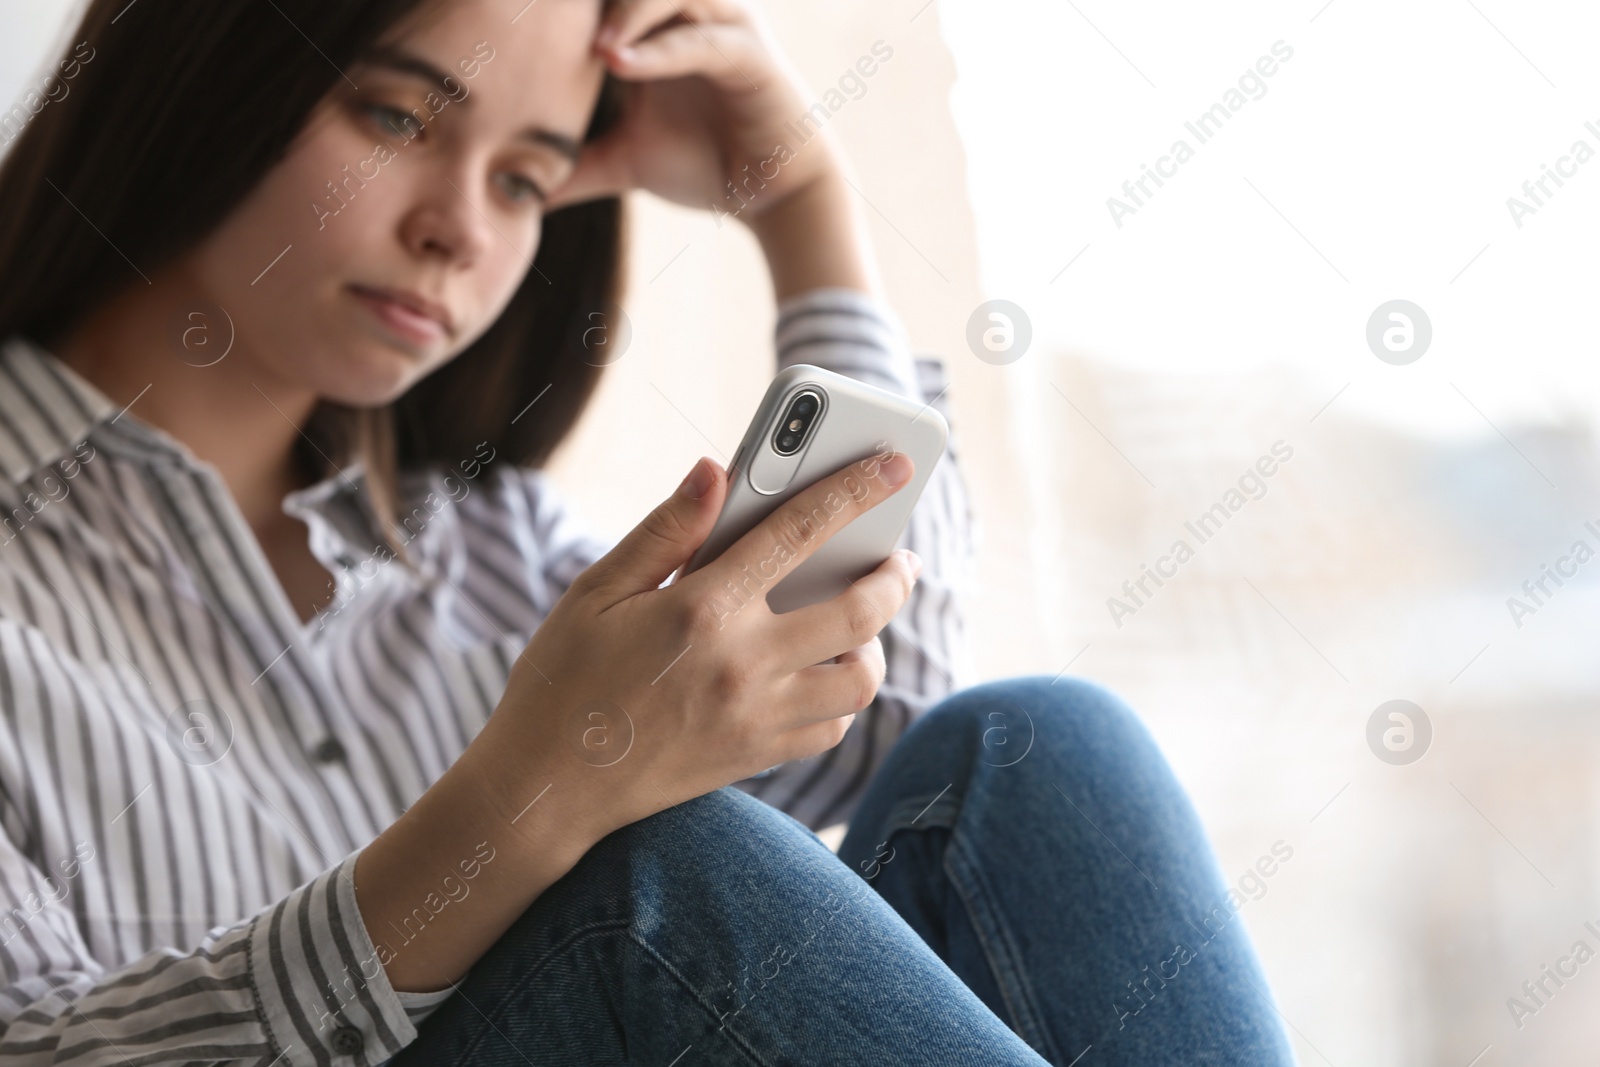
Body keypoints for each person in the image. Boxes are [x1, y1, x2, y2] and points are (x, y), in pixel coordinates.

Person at [0, 0, 1295, 1063]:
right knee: (674, 879)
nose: (462, 228)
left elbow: (882, 748)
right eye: (396, 115)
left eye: (526, 177)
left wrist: (802, 203)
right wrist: (526, 802)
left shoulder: (487, 551)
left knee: (1038, 752)